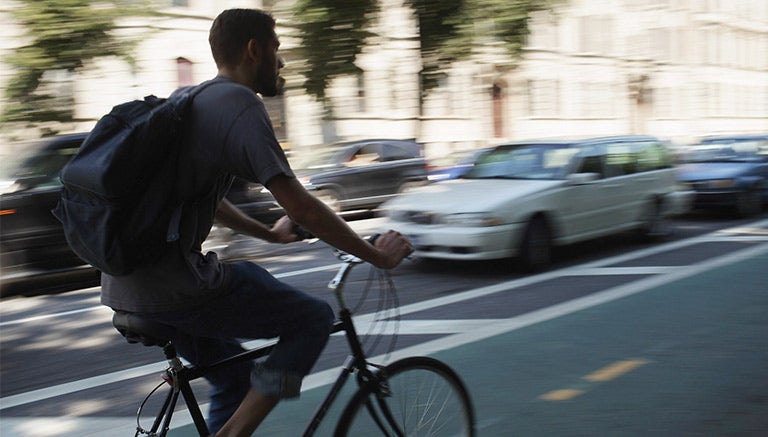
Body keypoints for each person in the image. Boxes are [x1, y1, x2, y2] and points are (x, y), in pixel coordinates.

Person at [100, 8, 413, 437]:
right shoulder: (239, 103)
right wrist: (377, 254)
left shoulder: (188, 99)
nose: (281, 62)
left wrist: (269, 234)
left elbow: (207, 201)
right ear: (254, 50)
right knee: (311, 320)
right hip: (176, 288)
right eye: (277, 49)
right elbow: (302, 206)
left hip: (126, 287)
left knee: (233, 380)